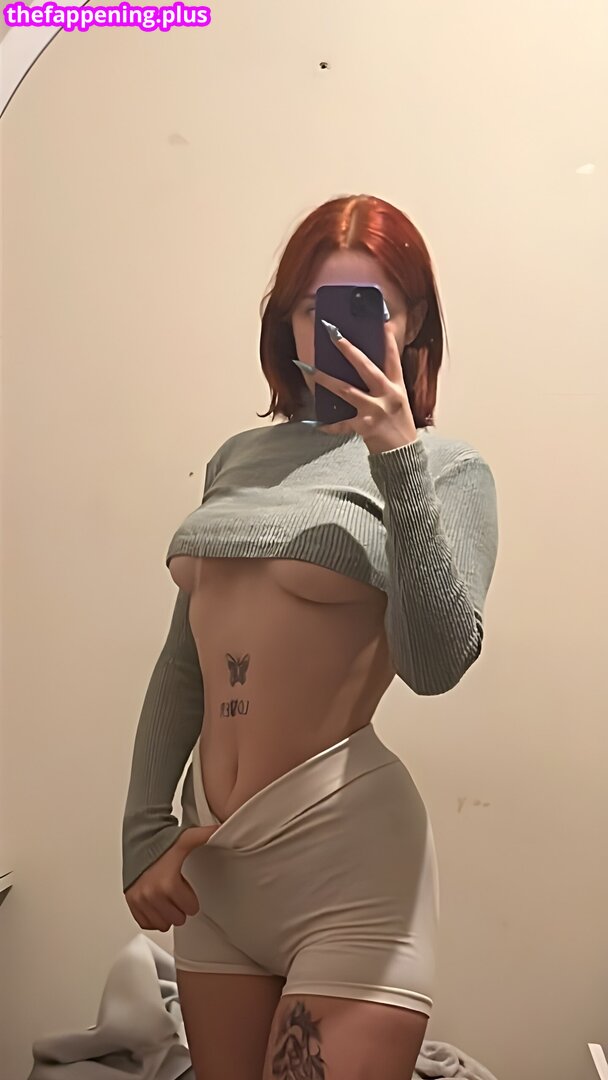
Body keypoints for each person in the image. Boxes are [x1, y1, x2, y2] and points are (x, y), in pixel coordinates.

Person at [121, 194, 499, 1080]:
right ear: (286, 320)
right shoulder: (235, 459)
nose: (338, 330)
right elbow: (184, 662)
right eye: (312, 306)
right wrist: (142, 832)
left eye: (372, 307)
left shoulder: (451, 470)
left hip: (347, 870)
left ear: (413, 323)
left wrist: (396, 454)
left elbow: (436, 663)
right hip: (217, 869)